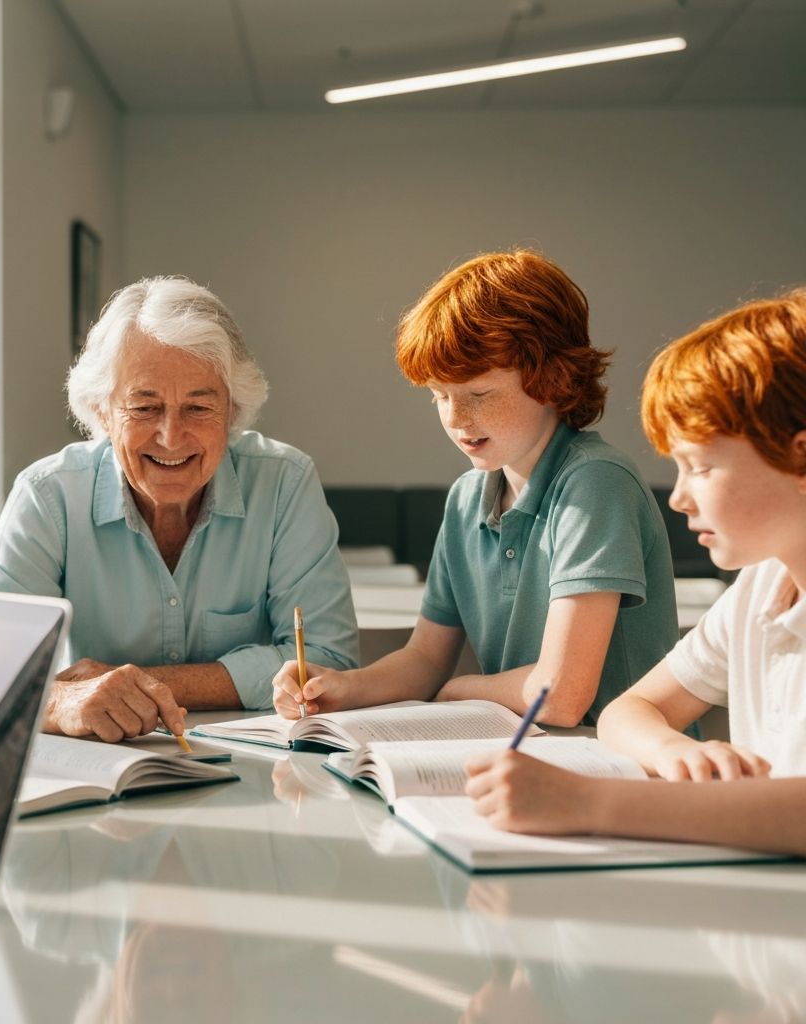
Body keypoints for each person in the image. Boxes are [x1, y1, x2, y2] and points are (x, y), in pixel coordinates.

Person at [464, 290, 806, 858]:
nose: (680, 499)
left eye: (700, 467)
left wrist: (585, 803)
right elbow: (632, 708)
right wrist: (674, 750)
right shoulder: (763, 588)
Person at [274, 249, 677, 727]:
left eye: (479, 394)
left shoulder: (595, 481)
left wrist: (461, 690)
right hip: (528, 756)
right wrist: (346, 686)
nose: (455, 419)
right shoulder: (467, 498)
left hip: (620, 767)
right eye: (439, 396)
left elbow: (562, 697)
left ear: (552, 377)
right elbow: (425, 659)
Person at [0, 276, 357, 742]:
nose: (172, 437)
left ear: (233, 412)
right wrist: (64, 699)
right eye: (144, 407)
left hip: (260, 771)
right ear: (101, 412)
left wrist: (136, 684)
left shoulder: (284, 483)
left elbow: (327, 659)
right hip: (100, 767)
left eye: (199, 409)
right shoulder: (48, 494)